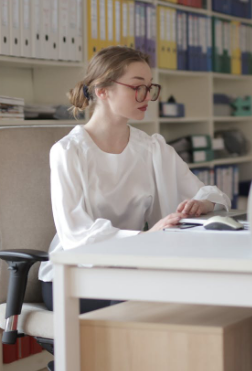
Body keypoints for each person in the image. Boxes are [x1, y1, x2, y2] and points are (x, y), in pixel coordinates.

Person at [38, 46, 231, 312]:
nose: (147, 96)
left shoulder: (153, 148)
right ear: (102, 90)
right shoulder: (68, 151)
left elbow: (211, 194)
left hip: (133, 266)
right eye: (136, 87)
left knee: (198, 289)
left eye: (150, 87)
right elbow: (75, 236)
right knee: (149, 302)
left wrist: (203, 204)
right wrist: (145, 237)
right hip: (75, 275)